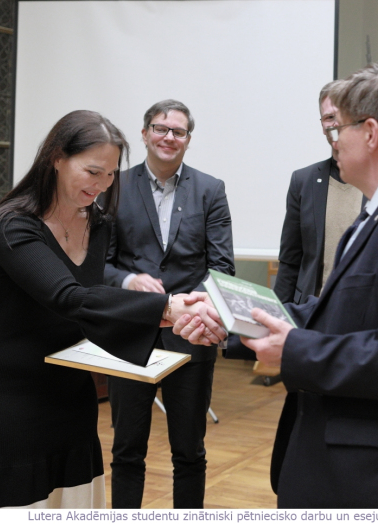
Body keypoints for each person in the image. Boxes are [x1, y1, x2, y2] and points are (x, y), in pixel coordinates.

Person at [179, 64, 378, 507]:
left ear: (371, 133)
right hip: (356, 461)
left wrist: (294, 352)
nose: (334, 141)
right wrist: (231, 319)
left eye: (341, 128)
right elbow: (340, 314)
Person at [0, 110, 222, 509]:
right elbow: (68, 297)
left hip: (69, 391)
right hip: (10, 393)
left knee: (73, 499)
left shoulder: (98, 224)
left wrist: (172, 318)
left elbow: (91, 307)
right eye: (93, 171)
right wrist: (167, 307)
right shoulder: (13, 225)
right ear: (57, 158)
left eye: (111, 174)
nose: (102, 185)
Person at [104, 99, 234, 509]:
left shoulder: (210, 189)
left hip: (190, 336)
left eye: (178, 131)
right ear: (145, 134)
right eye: (160, 128)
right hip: (130, 334)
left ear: (188, 140)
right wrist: (128, 280)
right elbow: (98, 265)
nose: (168, 137)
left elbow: (222, 268)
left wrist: (193, 305)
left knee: (189, 453)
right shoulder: (114, 186)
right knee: (127, 451)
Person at [274, 83, 366, 306]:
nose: (335, 123)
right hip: (311, 311)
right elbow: (290, 261)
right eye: (328, 117)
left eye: (342, 115)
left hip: (361, 312)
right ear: (322, 126)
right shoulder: (303, 181)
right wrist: (277, 315)